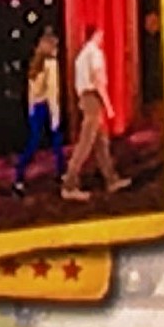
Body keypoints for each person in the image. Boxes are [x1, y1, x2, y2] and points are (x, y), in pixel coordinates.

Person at [63, 28, 114, 200]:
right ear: (95, 35)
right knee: (86, 142)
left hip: (85, 97)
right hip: (93, 98)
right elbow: (98, 79)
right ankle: (69, 184)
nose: (102, 38)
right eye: (101, 35)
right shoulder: (95, 53)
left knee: (101, 142)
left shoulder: (81, 56)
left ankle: (111, 179)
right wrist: (108, 105)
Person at [20, 35, 64, 191]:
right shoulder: (51, 64)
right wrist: (55, 115)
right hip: (46, 105)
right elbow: (52, 91)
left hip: (36, 107)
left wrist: (31, 109)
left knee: (33, 142)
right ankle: (62, 172)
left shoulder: (35, 64)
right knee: (56, 140)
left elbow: (31, 92)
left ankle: (19, 176)